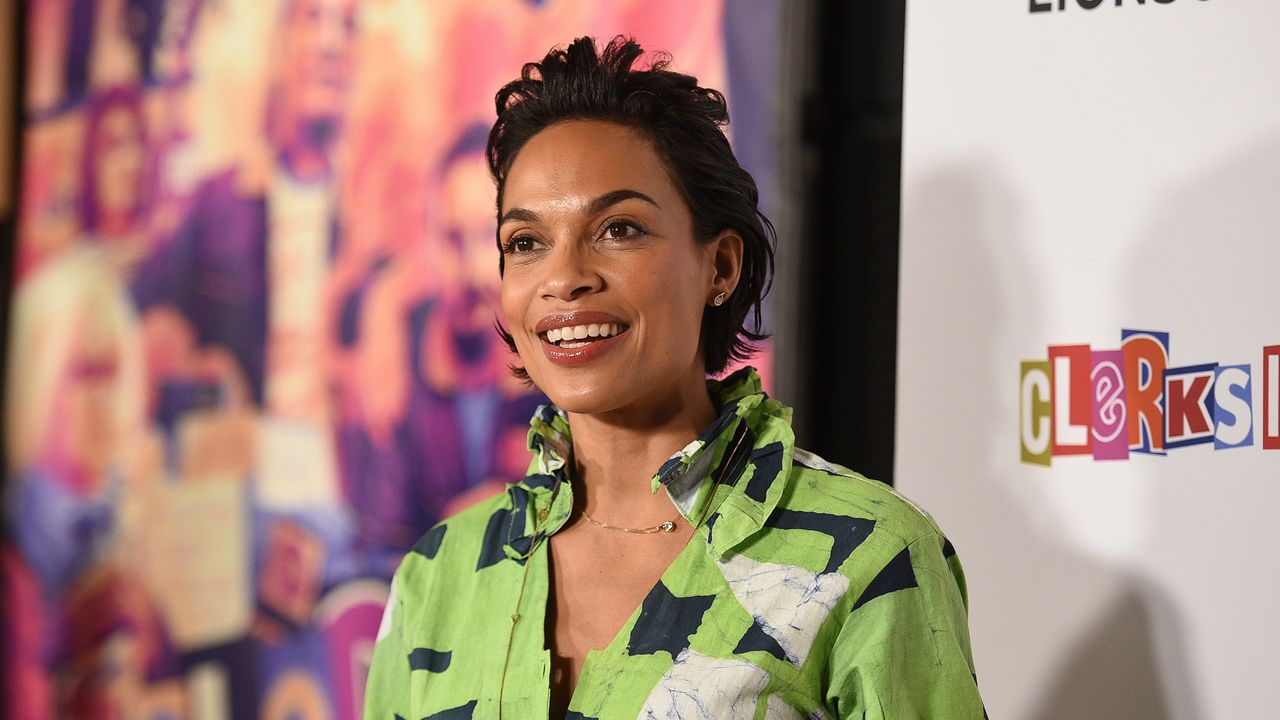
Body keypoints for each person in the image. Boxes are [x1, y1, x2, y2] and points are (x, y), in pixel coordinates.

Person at [364, 36, 985, 719]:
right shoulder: (438, 574)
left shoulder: (872, 556)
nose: (565, 278)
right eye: (526, 242)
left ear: (719, 267)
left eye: (619, 229)